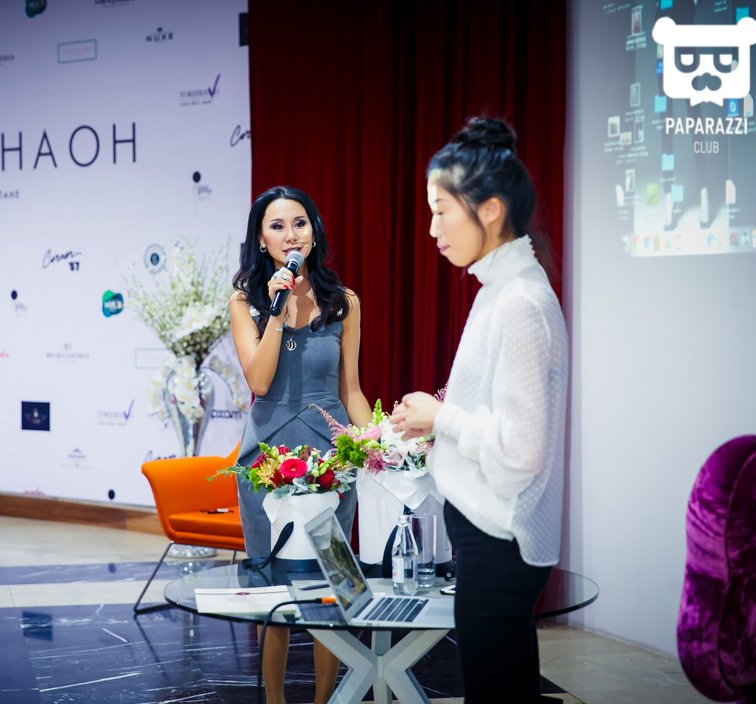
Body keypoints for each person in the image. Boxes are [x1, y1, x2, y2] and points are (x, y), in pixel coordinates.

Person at [390, 117, 569, 703]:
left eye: (442, 210)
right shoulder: (501, 290)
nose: (432, 228)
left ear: (490, 210)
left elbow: (521, 451)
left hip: (499, 544)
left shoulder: (519, 302)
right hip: (489, 542)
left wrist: (439, 418)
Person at [229, 185, 373, 704]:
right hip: (268, 460)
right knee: (274, 593)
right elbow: (260, 381)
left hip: (330, 459)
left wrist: (374, 446)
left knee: (327, 589)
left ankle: (323, 701)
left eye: (299, 223)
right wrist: (277, 310)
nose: (290, 235)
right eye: (277, 226)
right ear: (261, 239)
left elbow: (351, 390)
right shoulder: (245, 302)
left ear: (314, 231)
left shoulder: (343, 303)